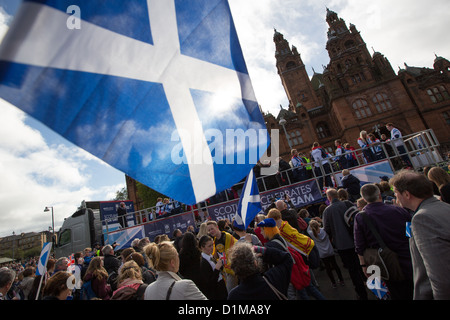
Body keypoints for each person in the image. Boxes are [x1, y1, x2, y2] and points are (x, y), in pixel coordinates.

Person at [390, 170, 450, 299]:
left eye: (396, 192)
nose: (395, 197)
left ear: (406, 194)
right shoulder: (443, 206)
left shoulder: (422, 219)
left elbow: (440, 276)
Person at [354, 183, 414, 300]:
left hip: (385, 264)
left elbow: (360, 245)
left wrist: (363, 265)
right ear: (379, 195)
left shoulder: (361, 217)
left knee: (396, 293)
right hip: (408, 258)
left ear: (364, 199)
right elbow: (411, 233)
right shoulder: (399, 210)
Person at [322, 188, 368, 300]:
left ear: (329, 198)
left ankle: (361, 293)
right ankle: (374, 287)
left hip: (342, 245)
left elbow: (326, 229)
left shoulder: (327, 211)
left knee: (353, 270)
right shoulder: (347, 204)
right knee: (364, 265)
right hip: (356, 240)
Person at [227, 241, 292, 300]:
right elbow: (287, 258)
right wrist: (260, 249)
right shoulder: (273, 280)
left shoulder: (234, 296)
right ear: (255, 263)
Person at [307, 220, 344, 288]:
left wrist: (311, 224)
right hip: (330, 251)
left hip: (322, 253)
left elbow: (307, 229)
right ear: (318, 225)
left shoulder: (312, 233)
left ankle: (333, 283)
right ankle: (341, 280)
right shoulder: (324, 230)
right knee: (335, 265)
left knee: (328, 268)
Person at [206, 220, 237, 292]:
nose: (211, 231)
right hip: (225, 270)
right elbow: (216, 256)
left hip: (232, 269)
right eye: (209, 230)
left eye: (212, 228)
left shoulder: (227, 236)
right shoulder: (215, 240)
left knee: (230, 292)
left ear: (217, 227)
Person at [197, 235, 228, 300]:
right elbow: (210, 283)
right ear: (202, 247)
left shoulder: (210, 256)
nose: (212, 248)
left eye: (212, 245)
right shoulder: (203, 262)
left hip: (221, 287)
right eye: (209, 246)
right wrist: (217, 268)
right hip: (216, 293)